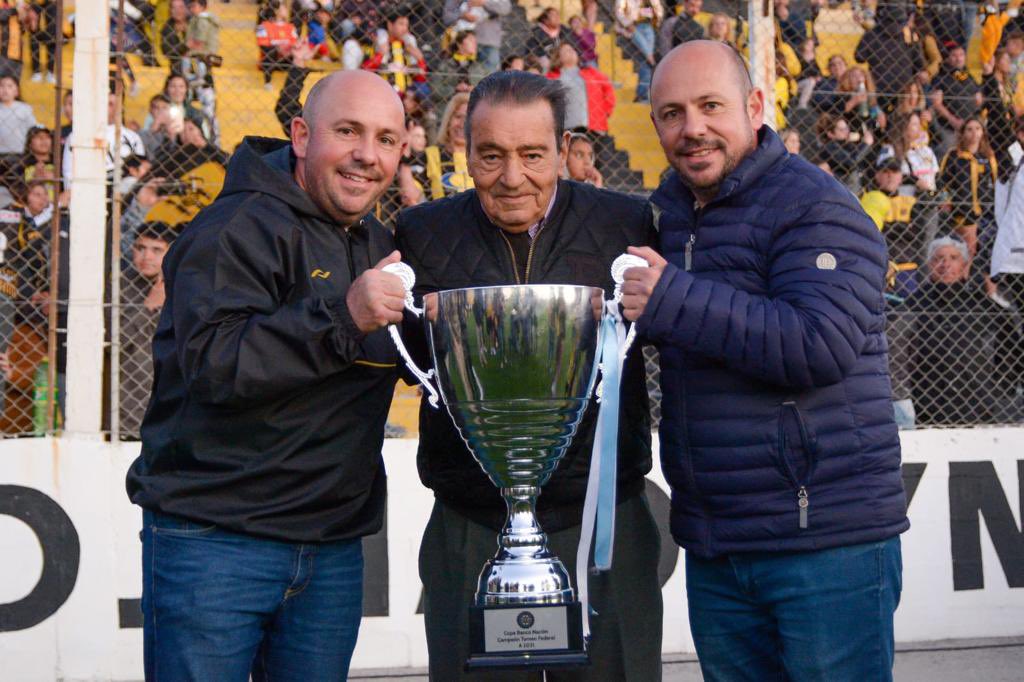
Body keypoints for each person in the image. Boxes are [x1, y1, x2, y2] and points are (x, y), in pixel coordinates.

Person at [624, 41, 907, 680]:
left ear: (755, 107)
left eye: (710, 106)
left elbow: (820, 343)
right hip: (718, 543)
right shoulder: (665, 215)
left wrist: (672, 297)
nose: (691, 128)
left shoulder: (816, 206)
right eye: (671, 113)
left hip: (824, 545)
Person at [125, 70, 410, 680]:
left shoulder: (382, 242)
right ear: (302, 135)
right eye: (349, 131)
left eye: (387, 139)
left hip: (332, 549)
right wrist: (344, 317)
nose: (367, 154)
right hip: (217, 542)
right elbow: (215, 367)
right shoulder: (233, 229)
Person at [395, 70, 662, 681]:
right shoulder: (422, 234)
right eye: (490, 156)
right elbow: (409, 362)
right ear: (466, 155)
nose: (512, 177)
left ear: (564, 151)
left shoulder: (628, 226)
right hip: (472, 523)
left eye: (532, 155)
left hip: (602, 524)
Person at [894, 236, 1022, 425]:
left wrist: (1001, 388)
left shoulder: (983, 305)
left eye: (953, 258)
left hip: (978, 401)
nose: (945, 264)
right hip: (927, 402)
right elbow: (897, 348)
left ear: (964, 265)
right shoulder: (915, 304)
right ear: (930, 265)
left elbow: (1009, 344)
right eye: (939, 258)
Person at [119, 221, 175, 439]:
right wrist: (148, 306)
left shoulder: (183, 285)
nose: (146, 257)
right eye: (140, 248)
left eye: (156, 250)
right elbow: (116, 342)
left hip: (170, 393)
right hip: (130, 400)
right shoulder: (120, 286)